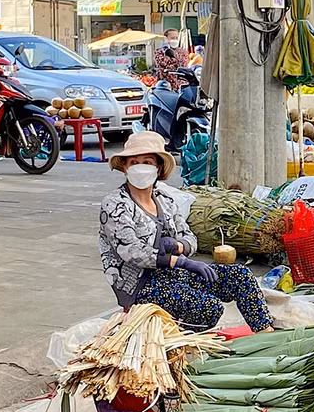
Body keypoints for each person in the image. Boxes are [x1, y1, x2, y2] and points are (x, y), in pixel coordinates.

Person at [98, 131, 273, 332]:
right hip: (142, 286)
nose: (140, 168)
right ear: (125, 168)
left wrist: (179, 246)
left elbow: (189, 236)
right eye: (134, 162)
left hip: (175, 275)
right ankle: (179, 340)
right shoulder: (115, 204)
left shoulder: (165, 200)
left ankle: (265, 332)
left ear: (158, 168)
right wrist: (179, 261)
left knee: (239, 275)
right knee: (208, 307)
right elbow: (132, 251)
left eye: (147, 162)